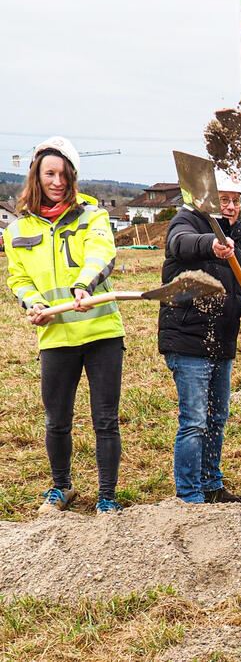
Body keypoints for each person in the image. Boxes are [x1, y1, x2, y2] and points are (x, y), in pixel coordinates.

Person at [3, 137, 126, 514]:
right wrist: (33, 302)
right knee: (57, 420)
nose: (56, 181)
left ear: (72, 177)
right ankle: (62, 488)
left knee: (105, 420)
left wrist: (82, 284)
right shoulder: (17, 229)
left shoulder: (93, 215)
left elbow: (103, 253)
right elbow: (18, 278)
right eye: (49, 173)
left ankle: (107, 496)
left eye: (63, 174)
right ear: (36, 177)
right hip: (55, 335)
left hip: (100, 332)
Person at [160, 169, 241, 504]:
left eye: (236, 200)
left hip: (221, 341)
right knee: (194, 420)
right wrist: (212, 244)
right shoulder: (186, 221)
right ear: (206, 198)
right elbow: (180, 245)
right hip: (188, 340)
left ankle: (211, 484)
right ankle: (190, 494)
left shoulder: (237, 238)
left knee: (217, 418)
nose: (232, 206)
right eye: (224, 199)